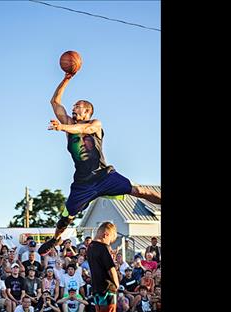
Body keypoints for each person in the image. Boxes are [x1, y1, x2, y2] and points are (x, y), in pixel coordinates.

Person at [38, 74, 161, 256]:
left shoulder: (95, 124)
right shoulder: (68, 124)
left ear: (87, 112)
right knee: (66, 217)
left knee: (140, 190)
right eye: (72, 107)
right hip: (83, 183)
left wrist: (62, 127)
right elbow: (54, 101)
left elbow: (83, 129)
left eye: (77, 106)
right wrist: (67, 78)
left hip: (104, 176)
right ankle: (56, 238)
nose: (73, 108)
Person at [86, 222, 119, 312]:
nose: (109, 243)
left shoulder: (90, 247)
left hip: (96, 289)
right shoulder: (104, 247)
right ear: (106, 234)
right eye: (110, 240)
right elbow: (111, 269)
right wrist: (116, 285)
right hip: (107, 288)